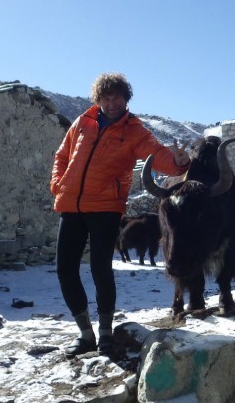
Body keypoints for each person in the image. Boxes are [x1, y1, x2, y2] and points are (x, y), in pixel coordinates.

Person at [50, 73, 189, 356]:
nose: (111, 103)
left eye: (117, 98)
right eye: (106, 98)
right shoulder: (83, 122)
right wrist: (58, 183)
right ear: (98, 99)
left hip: (105, 207)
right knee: (65, 269)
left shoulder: (134, 131)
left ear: (126, 99)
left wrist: (177, 163)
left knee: (100, 269)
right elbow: (62, 156)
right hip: (71, 205)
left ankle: (105, 333)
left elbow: (157, 154)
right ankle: (85, 334)